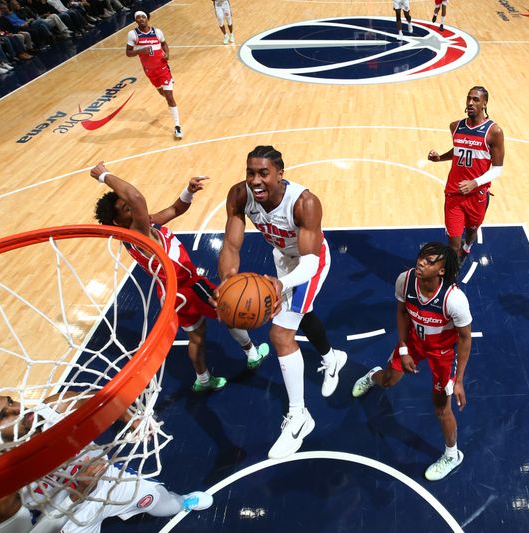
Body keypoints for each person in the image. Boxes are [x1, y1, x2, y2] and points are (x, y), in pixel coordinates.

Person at [218, 145, 348, 460]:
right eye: (250, 173)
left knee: (280, 335)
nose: (255, 180)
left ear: (280, 173)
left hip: (309, 264)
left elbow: (308, 262)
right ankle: (333, 358)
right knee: (303, 317)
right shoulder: (239, 195)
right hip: (283, 260)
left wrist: (280, 285)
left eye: (263, 173)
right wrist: (228, 281)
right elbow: (231, 245)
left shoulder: (304, 203)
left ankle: (299, 417)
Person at [91, 162, 269, 392]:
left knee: (196, 336)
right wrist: (104, 175)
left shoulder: (146, 224)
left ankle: (203, 380)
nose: (133, 208)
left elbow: (175, 209)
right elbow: (135, 196)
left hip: (171, 294)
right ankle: (252, 354)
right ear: (118, 222)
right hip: (190, 287)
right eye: (126, 209)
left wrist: (189, 191)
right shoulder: (139, 233)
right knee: (230, 311)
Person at [0, 391, 213, 532]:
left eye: (11, 401)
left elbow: (98, 397)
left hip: (108, 481)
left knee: (163, 502)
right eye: (4, 415)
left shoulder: (54, 409)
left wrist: (130, 418)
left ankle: (183, 502)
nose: (19, 409)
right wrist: (74, 497)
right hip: (63, 519)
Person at [352, 242, 472, 481]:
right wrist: (404, 348)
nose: (421, 263)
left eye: (429, 262)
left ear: (441, 271)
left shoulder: (454, 299)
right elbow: (402, 312)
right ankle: (372, 375)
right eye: (421, 258)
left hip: (443, 354)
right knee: (387, 380)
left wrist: (458, 381)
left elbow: (465, 338)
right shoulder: (405, 281)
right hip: (414, 342)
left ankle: (452, 454)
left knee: (441, 408)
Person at [428, 86, 505, 264]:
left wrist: (474, 183)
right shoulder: (456, 126)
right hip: (454, 194)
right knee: (452, 245)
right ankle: (451, 276)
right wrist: (439, 158)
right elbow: (459, 150)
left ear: (484, 103)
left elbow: (498, 169)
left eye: (476, 100)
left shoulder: (494, 132)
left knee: (471, 231)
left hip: (477, 196)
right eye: (469, 98)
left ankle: (468, 247)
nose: (470, 103)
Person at [126, 11, 182, 139]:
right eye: (138, 17)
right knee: (162, 93)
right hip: (149, 72)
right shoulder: (132, 34)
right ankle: (169, 99)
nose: (141, 19)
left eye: (143, 17)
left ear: (147, 18)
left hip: (162, 69)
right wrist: (140, 50)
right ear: (136, 20)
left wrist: (167, 54)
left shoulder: (157, 32)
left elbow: (164, 44)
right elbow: (128, 53)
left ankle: (177, 126)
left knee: (169, 96)